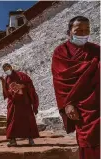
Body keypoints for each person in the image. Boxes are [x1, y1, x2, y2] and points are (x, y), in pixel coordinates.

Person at [51, 16, 100, 159]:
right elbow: (60, 82)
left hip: (98, 102)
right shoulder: (60, 52)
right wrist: (67, 104)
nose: (83, 34)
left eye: (87, 30)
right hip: (80, 107)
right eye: (79, 30)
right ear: (69, 32)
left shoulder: (96, 50)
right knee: (88, 141)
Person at [0, 63, 39, 147]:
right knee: (11, 121)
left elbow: (29, 84)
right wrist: (3, 83)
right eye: (5, 70)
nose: (7, 71)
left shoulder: (21, 75)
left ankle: (30, 139)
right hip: (13, 103)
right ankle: (13, 140)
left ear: (11, 67)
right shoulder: (7, 79)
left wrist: (21, 86)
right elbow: (6, 93)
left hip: (24, 101)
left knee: (27, 120)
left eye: (7, 68)